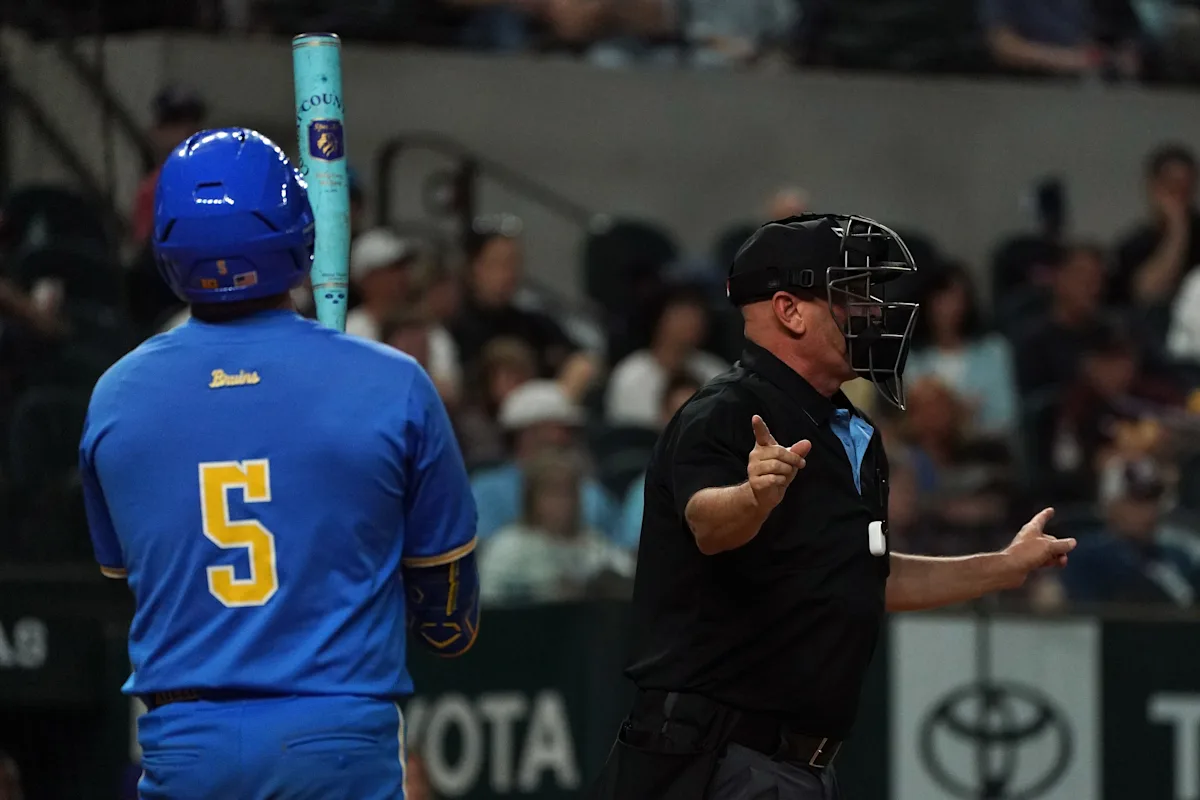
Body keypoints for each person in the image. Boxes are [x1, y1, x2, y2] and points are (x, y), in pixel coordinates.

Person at [589, 214, 1076, 800]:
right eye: (850, 296)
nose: (873, 311)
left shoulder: (852, 430)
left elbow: (865, 577)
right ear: (790, 310)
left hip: (795, 765)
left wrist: (1002, 566)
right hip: (711, 758)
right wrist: (753, 497)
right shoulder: (726, 411)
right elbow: (707, 525)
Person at [79, 128, 479, 800]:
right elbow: (450, 622)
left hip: (186, 745)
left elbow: (127, 574)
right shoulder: (391, 382)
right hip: (335, 738)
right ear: (297, 232)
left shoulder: (115, 395)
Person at [479, 450, 634, 604]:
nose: (562, 502)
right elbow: (488, 600)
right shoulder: (508, 547)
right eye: (552, 493)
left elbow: (629, 578)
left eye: (568, 493)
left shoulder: (594, 546)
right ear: (531, 498)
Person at [904, 263, 1018, 435]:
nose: (950, 308)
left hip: (984, 445)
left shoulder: (993, 351)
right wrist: (961, 409)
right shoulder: (910, 358)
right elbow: (910, 418)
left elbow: (1005, 416)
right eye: (941, 299)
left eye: (956, 298)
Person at [605, 286, 727, 428]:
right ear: (659, 319)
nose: (692, 322)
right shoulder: (630, 376)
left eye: (698, 316)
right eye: (682, 315)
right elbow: (626, 434)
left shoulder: (717, 374)